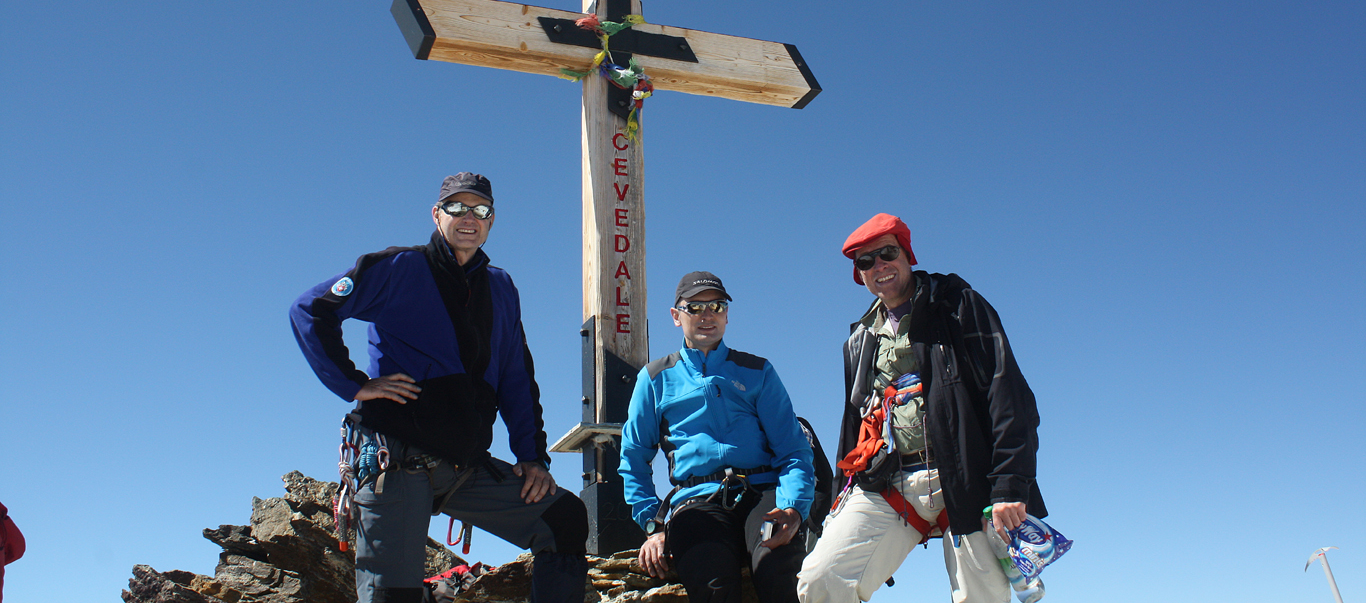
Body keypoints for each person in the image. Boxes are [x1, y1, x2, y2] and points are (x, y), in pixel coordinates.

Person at [290, 173, 587, 603]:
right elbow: (310, 310)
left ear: (491, 220)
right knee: (395, 596)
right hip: (398, 460)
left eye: (481, 210)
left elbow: (516, 375)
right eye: (457, 208)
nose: (470, 218)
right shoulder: (398, 267)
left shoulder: (501, 287)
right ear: (436, 214)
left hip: (464, 466)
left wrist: (532, 456)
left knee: (564, 518)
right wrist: (354, 384)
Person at [798, 214, 1047, 603]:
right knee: (821, 581)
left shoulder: (960, 306)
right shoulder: (859, 341)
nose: (879, 266)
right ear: (858, 275)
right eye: (866, 261)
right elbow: (852, 424)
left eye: (887, 253)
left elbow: (1008, 394)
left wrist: (1011, 485)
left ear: (907, 255)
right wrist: (834, 503)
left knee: (980, 599)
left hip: (967, 478)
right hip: (889, 480)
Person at [620, 271, 816, 603]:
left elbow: (794, 450)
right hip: (696, 505)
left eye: (717, 305)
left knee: (778, 569)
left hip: (764, 499)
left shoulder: (757, 371)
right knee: (712, 583)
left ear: (727, 313)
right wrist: (653, 525)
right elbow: (633, 458)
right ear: (676, 316)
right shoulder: (655, 379)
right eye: (694, 307)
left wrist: (793, 508)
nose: (707, 315)